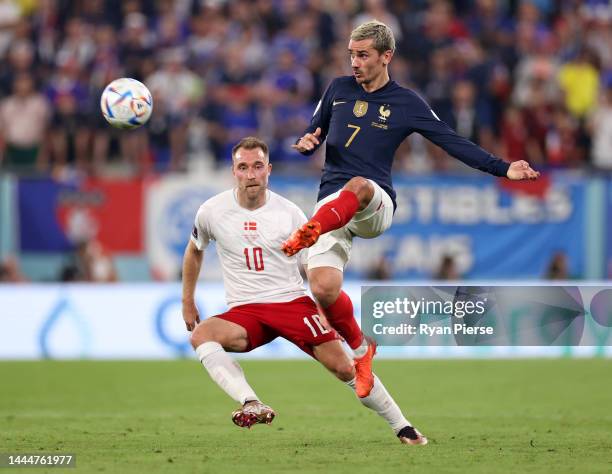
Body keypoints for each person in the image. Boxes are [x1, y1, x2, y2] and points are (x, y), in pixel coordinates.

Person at [282, 20, 541, 398]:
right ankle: (361, 349)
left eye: (363, 55)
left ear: (387, 56)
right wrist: (308, 141)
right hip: (331, 203)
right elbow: (315, 129)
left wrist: (503, 168)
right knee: (323, 288)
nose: (355, 62)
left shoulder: (406, 103)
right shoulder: (337, 88)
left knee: (359, 185)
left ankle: (308, 231)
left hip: (374, 202)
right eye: (352, 54)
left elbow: (451, 141)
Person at [181, 136, 427, 445]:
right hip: (244, 312)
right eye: (243, 167)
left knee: (344, 368)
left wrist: (324, 304)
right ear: (234, 172)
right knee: (201, 335)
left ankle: (403, 426)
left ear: (268, 170)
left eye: (258, 166)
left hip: (291, 303)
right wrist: (187, 299)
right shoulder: (211, 211)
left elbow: (312, 263)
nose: (251, 174)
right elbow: (194, 250)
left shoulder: (290, 214)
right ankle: (250, 402)